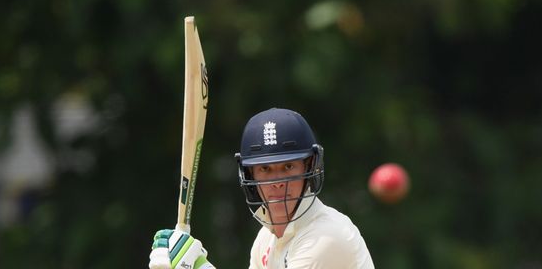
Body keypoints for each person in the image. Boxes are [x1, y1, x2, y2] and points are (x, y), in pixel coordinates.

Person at [150, 107, 375, 269]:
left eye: (288, 166)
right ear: (250, 175)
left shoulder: (326, 236)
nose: (277, 181)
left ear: (310, 166)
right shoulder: (265, 240)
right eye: (265, 169)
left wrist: (199, 266)